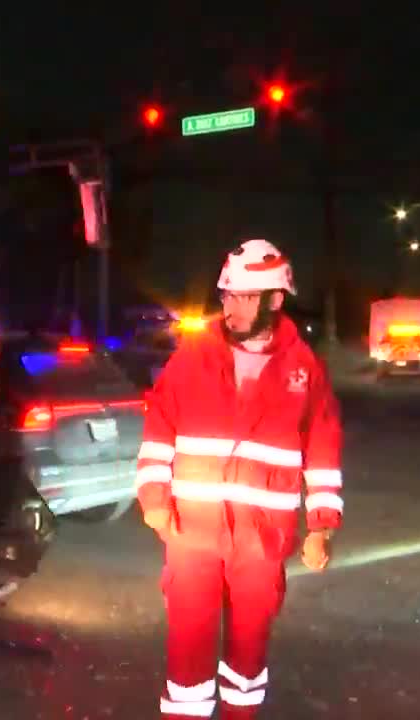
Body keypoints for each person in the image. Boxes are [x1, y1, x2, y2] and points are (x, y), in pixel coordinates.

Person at [136, 239, 344, 719]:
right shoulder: (195, 354)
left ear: (275, 299)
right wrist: (153, 496)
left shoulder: (303, 368)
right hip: (192, 529)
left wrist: (321, 525)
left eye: (245, 296)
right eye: (228, 295)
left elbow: (323, 446)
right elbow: (159, 426)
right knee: (188, 648)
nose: (231, 306)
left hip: (262, 536)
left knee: (248, 656)